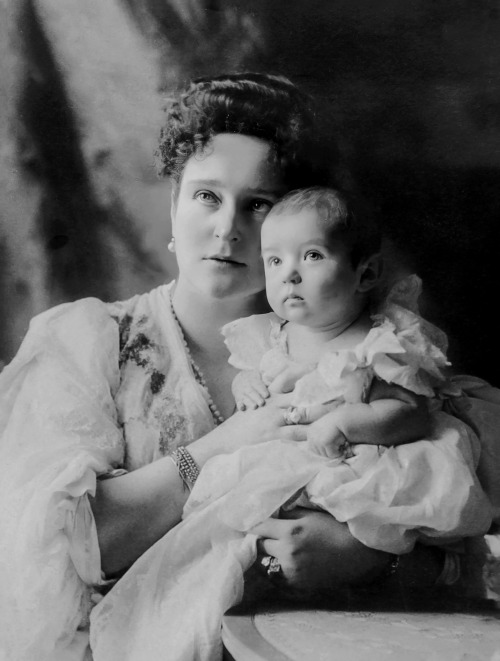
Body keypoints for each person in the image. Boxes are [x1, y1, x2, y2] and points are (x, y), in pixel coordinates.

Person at [0, 73, 497, 661]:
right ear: (174, 204)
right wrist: (220, 446)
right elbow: (59, 546)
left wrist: (367, 554)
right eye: (207, 196)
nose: (227, 227)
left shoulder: (356, 350)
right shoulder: (88, 341)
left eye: (258, 204)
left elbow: (457, 523)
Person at [87, 187, 493, 660]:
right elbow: (254, 379)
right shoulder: (272, 336)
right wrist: (247, 388)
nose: (290, 275)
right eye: (275, 261)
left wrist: (347, 421)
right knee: (213, 556)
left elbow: (410, 412)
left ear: (366, 273)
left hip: (362, 470)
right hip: (286, 475)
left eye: (312, 256)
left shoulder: (377, 342)